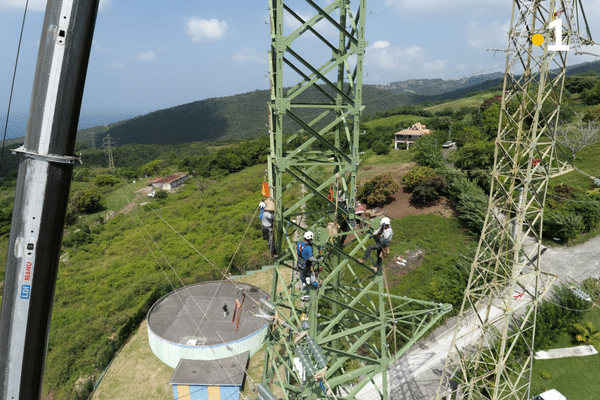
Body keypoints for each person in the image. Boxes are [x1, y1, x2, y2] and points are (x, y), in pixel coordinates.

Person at [296, 231, 321, 297]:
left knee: (302, 275)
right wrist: (317, 260)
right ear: (309, 239)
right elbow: (310, 258)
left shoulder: (299, 243)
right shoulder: (308, 248)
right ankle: (316, 286)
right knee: (312, 277)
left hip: (299, 263)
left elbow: (298, 252)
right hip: (307, 266)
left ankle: (304, 285)